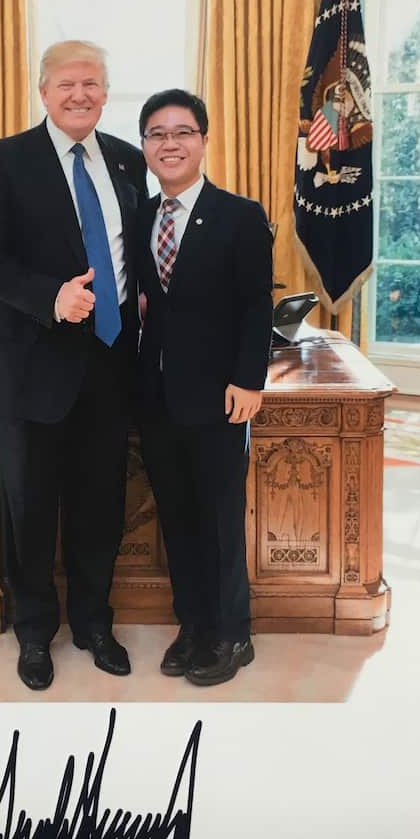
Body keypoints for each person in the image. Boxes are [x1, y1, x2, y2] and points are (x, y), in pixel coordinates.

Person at [0, 40, 146, 691]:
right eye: (67, 83)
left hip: (109, 364)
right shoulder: (3, 161)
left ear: (105, 92)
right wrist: (51, 296)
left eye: (92, 83)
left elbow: (134, 249)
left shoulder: (128, 159)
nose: (80, 95)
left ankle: (95, 623)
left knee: (101, 505)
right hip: (31, 369)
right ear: (43, 92)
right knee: (31, 509)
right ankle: (36, 632)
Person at [134, 88, 274, 686]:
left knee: (218, 519)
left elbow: (253, 306)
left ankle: (232, 634)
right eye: (158, 134)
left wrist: (249, 379)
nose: (171, 144)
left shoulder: (241, 215)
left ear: (204, 140)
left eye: (182, 132)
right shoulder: (142, 217)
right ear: (145, 146)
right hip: (158, 395)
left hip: (221, 396)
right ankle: (192, 626)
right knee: (177, 519)